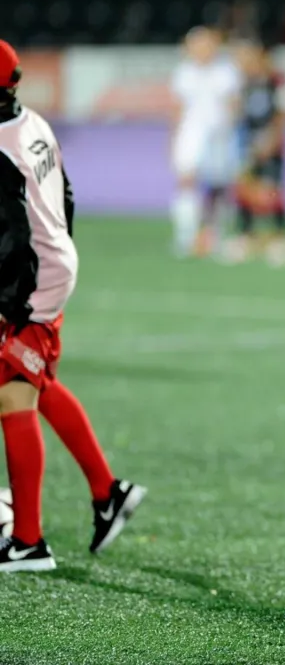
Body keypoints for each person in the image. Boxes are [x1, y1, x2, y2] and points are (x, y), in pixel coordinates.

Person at [0, 41, 146, 572]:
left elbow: (12, 239)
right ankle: (108, 493)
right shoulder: (31, 122)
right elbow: (66, 191)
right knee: (34, 381)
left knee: (14, 396)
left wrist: (9, 306)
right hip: (53, 262)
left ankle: (30, 542)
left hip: (30, 282)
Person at [169, 26, 242, 258]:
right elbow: (177, 109)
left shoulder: (226, 72)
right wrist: (174, 137)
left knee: (218, 188)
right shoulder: (184, 72)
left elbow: (234, 105)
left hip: (219, 134)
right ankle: (186, 236)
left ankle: (214, 236)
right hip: (190, 133)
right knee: (186, 182)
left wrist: (232, 135)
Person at [224, 40, 285, 267]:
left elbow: (284, 114)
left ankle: (280, 237)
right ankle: (247, 235)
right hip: (247, 143)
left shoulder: (277, 81)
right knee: (244, 189)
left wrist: (271, 140)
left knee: (273, 190)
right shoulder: (242, 82)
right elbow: (237, 113)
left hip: (272, 144)